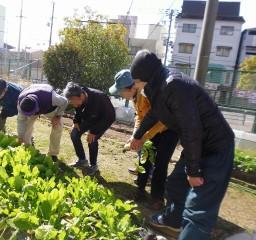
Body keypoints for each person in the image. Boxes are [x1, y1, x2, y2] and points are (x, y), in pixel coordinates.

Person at [129, 50, 235, 240]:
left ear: (144, 76)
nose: (134, 86)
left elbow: (191, 128)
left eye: (135, 81)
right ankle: (172, 222)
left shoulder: (174, 85)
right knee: (176, 183)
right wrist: (137, 135)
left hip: (215, 148)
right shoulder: (156, 87)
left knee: (198, 209)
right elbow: (155, 114)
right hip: (197, 145)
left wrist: (193, 171)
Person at [109, 69, 178, 209]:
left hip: (170, 128)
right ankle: (140, 190)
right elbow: (140, 117)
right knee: (145, 159)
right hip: (152, 129)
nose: (120, 95)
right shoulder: (135, 97)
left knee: (160, 163)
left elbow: (162, 120)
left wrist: (144, 137)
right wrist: (135, 136)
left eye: (121, 91)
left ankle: (157, 198)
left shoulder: (146, 94)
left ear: (131, 88)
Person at [63, 82, 116, 176]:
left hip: (103, 120)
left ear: (80, 96)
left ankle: (93, 166)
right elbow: (78, 109)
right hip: (90, 118)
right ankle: (82, 160)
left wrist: (94, 132)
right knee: (74, 134)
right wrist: (76, 121)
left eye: (72, 100)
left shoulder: (99, 97)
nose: (71, 103)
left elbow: (110, 117)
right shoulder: (79, 97)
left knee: (92, 139)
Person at [17, 84, 68, 162]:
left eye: (31, 113)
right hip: (34, 103)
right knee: (26, 126)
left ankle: (53, 154)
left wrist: (58, 116)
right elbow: (20, 120)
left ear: (37, 107)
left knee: (58, 126)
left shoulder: (51, 97)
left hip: (49, 108)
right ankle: (28, 148)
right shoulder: (21, 104)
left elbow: (65, 101)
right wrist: (20, 136)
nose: (30, 115)